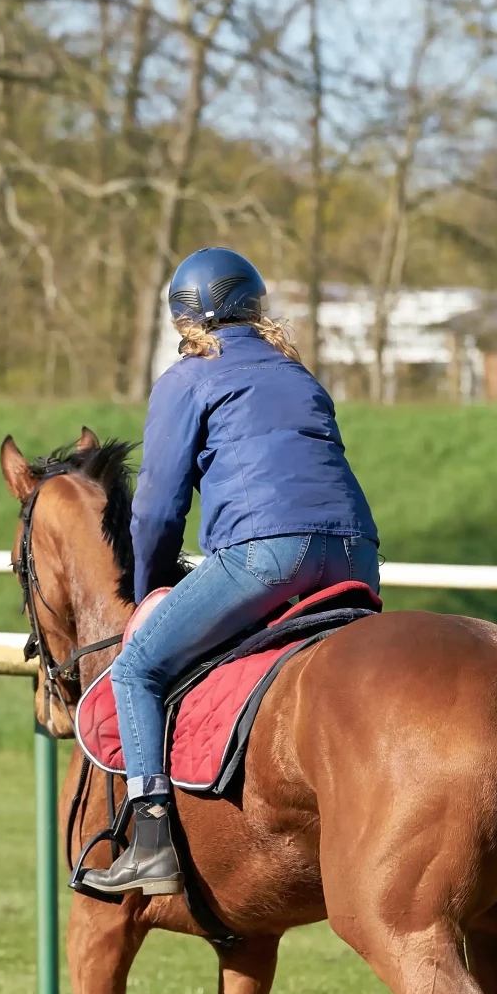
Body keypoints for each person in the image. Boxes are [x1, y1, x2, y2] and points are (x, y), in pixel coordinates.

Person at [78, 246, 381, 897]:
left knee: (137, 668)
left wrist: (146, 593)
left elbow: (158, 508)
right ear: (255, 309)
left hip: (268, 556)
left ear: (185, 321)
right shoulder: (298, 374)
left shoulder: (186, 380)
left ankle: (152, 841)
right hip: (357, 554)